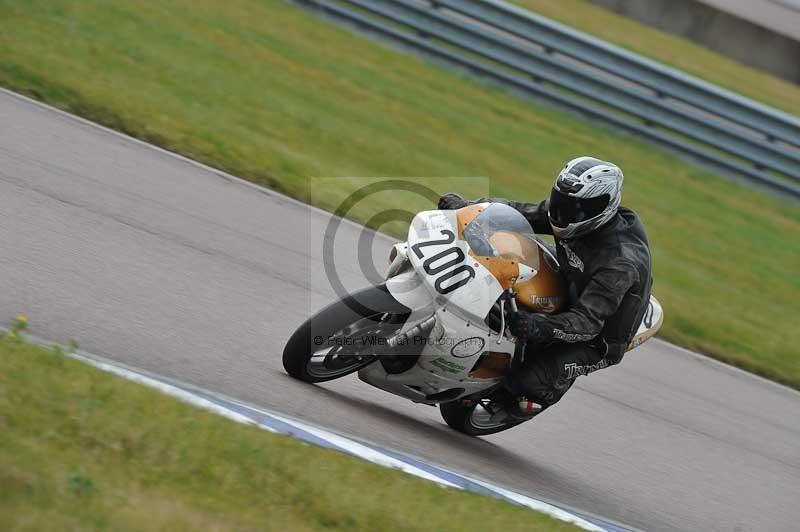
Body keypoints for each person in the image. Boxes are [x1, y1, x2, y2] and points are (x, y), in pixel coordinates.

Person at [438, 156, 652, 419]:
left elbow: (587, 324)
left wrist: (539, 326)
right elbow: (517, 214)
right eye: (562, 202)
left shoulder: (619, 263)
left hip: (599, 336)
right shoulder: (572, 211)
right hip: (571, 279)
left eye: (576, 209)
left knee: (529, 382)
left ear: (603, 207)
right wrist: (467, 209)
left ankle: (521, 400)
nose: (563, 213)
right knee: (503, 251)